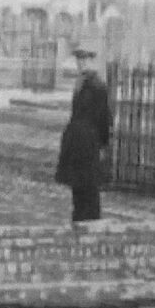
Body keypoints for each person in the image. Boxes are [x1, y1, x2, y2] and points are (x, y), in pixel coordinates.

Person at [55, 48, 113, 222]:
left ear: (92, 62)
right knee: (77, 182)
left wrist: (103, 144)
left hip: (89, 140)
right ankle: (79, 216)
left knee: (89, 184)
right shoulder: (80, 83)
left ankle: (90, 218)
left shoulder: (97, 86)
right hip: (77, 140)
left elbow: (104, 117)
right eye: (79, 60)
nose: (81, 63)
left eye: (85, 59)